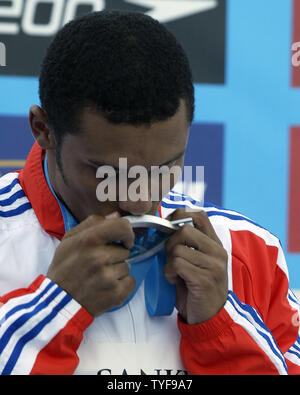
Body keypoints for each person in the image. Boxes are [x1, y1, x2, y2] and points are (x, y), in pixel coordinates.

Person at [0, 11, 299, 376]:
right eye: (108, 174)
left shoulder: (249, 252)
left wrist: (222, 327)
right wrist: (53, 308)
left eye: (165, 168)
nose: (140, 201)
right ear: (43, 129)